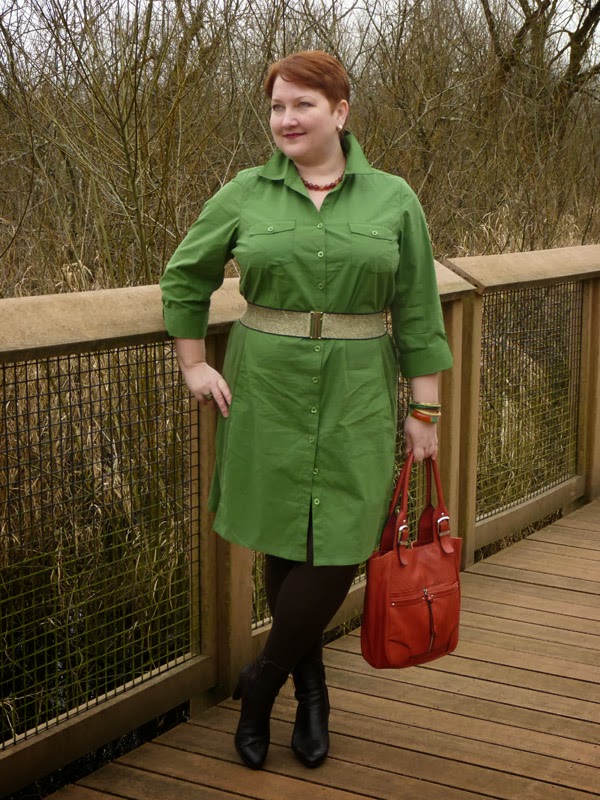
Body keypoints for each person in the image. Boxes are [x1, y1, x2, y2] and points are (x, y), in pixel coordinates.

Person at [159, 50, 453, 770]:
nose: (286, 119)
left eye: (302, 105)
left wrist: (426, 410)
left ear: (340, 112)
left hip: (357, 389)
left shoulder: (393, 198)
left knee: (344, 541)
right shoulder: (244, 192)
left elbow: (418, 309)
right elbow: (185, 276)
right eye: (277, 106)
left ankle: (261, 683)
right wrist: (194, 363)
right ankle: (312, 691)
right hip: (266, 387)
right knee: (285, 538)